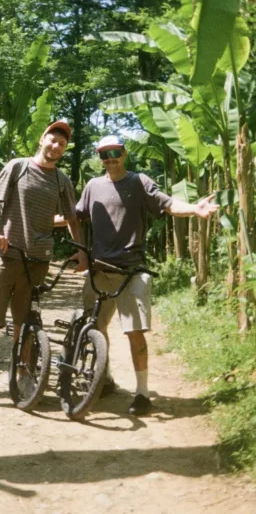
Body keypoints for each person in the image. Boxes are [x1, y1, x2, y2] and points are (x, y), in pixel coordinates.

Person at [75, 134, 219, 417]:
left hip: (132, 271)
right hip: (99, 271)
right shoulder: (92, 186)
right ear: (99, 157)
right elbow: (75, 215)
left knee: (135, 333)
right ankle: (104, 381)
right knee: (95, 328)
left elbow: (167, 204)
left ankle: (142, 393)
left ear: (124, 153)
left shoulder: (139, 182)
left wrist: (195, 209)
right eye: (104, 154)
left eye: (115, 152)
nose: (110, 158)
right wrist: (33, 220)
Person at [0, 121, 84, 410]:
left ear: (65, 149)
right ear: (41, 139)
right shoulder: (17, 167)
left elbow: (72, 219)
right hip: (5, 255)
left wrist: (81, 251)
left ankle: (24, 376)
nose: (56, 146)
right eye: (52, 139)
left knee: (26, 323)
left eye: (62, 143)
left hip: (38, 261)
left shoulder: (62, 181)